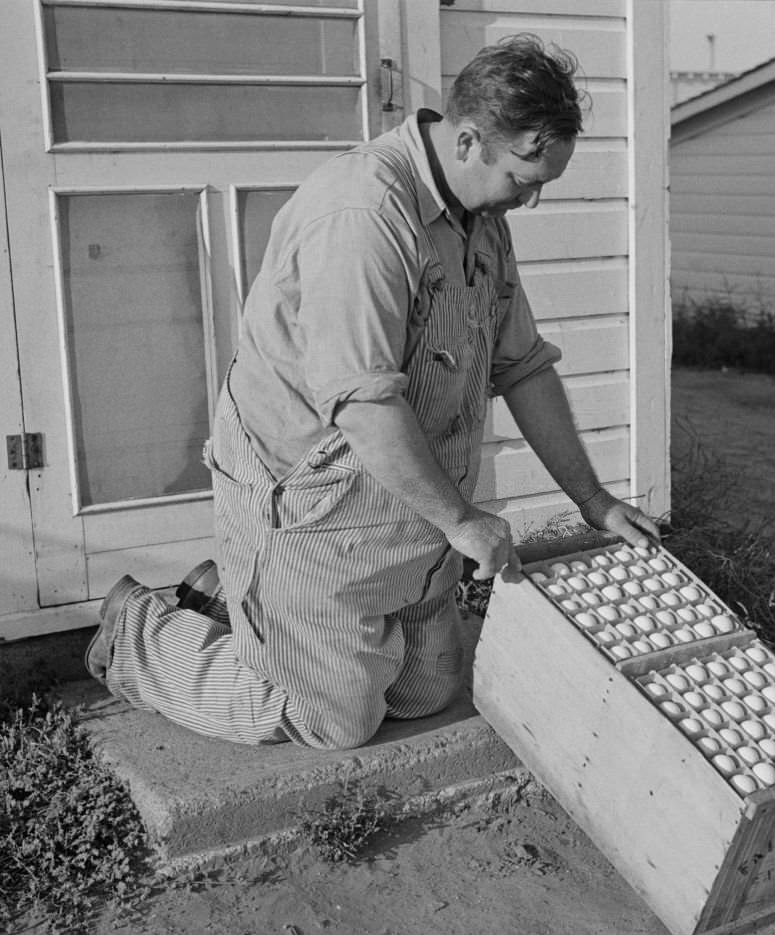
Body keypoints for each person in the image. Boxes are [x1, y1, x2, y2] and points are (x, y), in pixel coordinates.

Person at [85, 35, 660, 749]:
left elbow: (524, 367)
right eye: (523, 177)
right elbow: (365, 404)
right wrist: (461, 521)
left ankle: (242, 608)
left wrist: (594, 500)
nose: (531, 199)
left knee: (426, 693)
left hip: (400, 499)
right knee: (334, 721)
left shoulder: (482, 214)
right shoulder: (362, 215)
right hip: (310, 500)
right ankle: (139, 633)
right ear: (472, 139)